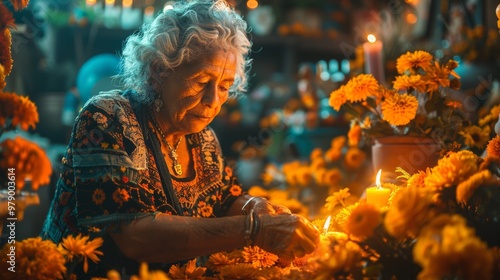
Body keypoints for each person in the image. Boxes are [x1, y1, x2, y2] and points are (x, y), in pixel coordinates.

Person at [40, 0, 319, 278]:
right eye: (201, 82)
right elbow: (135, 236)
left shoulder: (203, 138)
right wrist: (254, 230)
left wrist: (254, 206)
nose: (214, 101)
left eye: (224, 86)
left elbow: (224, 201)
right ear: (158, 71)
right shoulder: (108, 118)